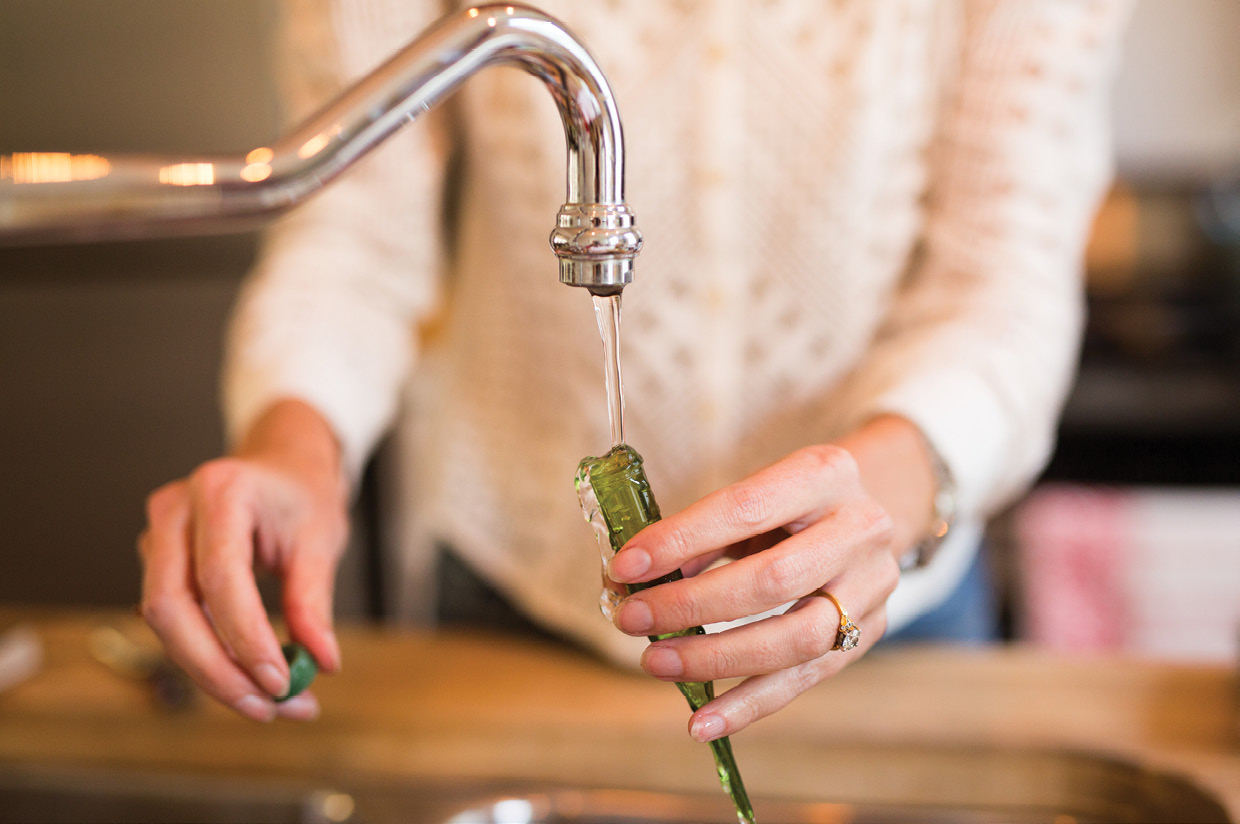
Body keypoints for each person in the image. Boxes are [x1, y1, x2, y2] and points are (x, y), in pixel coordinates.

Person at [138, 0, 1132, 738]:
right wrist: (290, 443)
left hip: (882, 603)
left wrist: (894, 480)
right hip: (515, 593)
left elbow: (1003, 275)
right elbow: (356, 227)